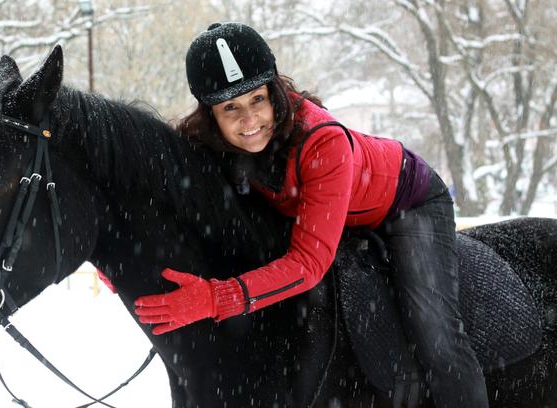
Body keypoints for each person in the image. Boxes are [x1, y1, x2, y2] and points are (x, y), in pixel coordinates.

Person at [133, 22, 489, 407]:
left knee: (436, 335)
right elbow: (159, 203)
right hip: (317, 212)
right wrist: (117, 251)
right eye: (230, 107)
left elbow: (308, 262)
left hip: (405, 203)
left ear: (275, 94)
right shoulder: (204, 143)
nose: (249, 120)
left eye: (257, 99)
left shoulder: (323, 141)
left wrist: (219, 297)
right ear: (210, 115)